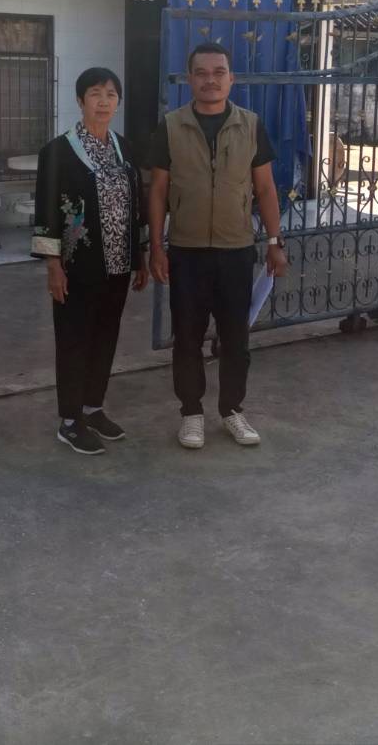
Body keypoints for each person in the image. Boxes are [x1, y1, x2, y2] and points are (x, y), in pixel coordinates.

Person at [146, 42, 288, 450]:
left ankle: (231, 410)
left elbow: (265, 188)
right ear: (190, 79)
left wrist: (274, 241)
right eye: (202, 73)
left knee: (235, 339)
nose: (210, 80)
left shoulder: (250, 125)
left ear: (231, 78)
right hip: (187, 251)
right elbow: (158, 191)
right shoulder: (170, 126)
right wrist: (156, 245)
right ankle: (191, 413)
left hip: (236, 250)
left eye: (218, 72)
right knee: (187, 337)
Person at [32, 67, 148, 456]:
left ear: (118, 102)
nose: (103, 102)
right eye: (95, 94)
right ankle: (69, 420)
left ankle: (92, 408)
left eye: (111, 94)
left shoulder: (124, 148)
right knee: (73, 339)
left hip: (117, 264)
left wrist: (140, 254)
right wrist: (52, 265)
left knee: (105, 335)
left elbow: (137, 204)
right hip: (77, 264)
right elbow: (46, 210)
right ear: (80, 101)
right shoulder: (58, 152)